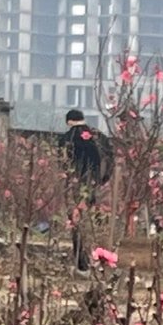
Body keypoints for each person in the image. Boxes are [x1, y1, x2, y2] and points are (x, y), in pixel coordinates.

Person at [62, 108, 110, 269]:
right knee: (95, 222)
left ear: (69, 121)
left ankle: (80, 261)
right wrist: (102, 179)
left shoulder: (67, 139)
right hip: (98, 185)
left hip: (74, 184)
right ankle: (98, 258)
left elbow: (63, 163)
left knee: (76, 221)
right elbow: (109, 160)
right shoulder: (99, 137)